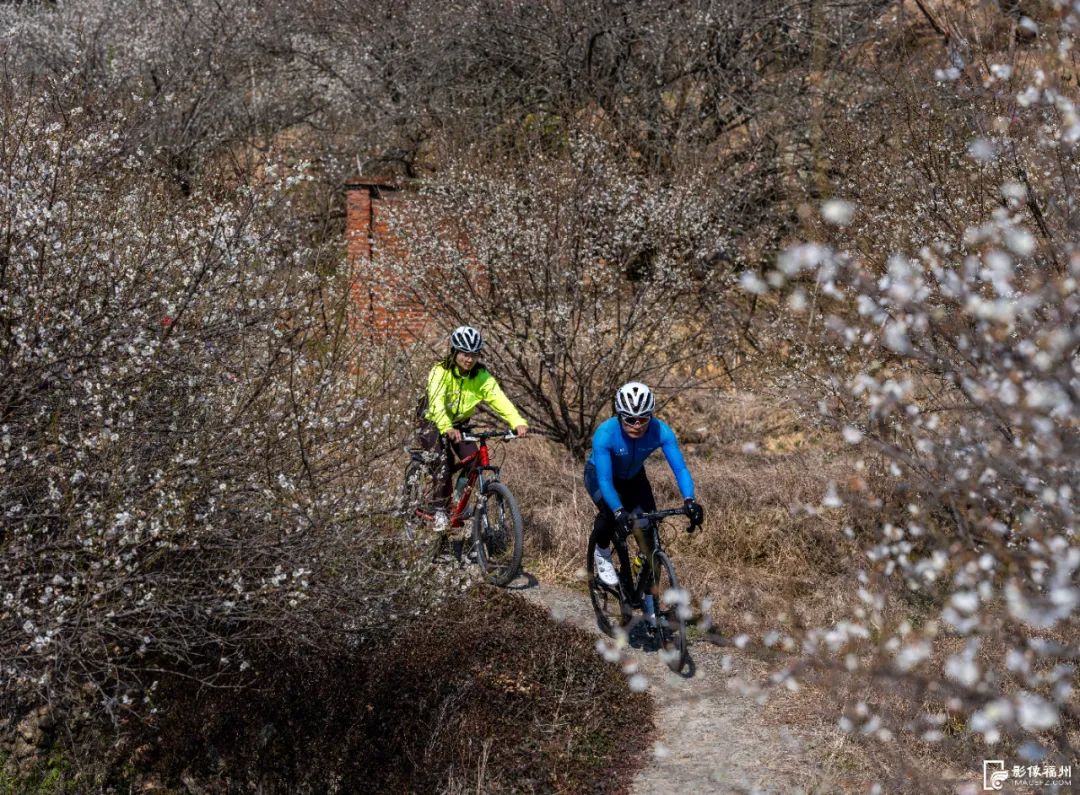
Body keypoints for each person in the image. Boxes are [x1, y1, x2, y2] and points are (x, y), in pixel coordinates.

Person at [584, 381, 703, 617]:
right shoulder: (605, 434)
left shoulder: (662, 431)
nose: (637, 425)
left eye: (643, 418)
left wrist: (690, 500)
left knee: (650, 539)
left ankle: (650, 600)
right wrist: (619, 511)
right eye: (630, 419)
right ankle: (602, 551)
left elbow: (680, 469)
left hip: (634, 478)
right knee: (609, 514)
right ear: (620, 416)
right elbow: (606, 482)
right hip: (601, 477)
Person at [416, 325, 527, 529]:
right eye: (465, 354)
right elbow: (437, 403)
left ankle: (456, 501)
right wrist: (447, 427)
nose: (469, 359)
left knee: (473, 460)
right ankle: (439, 509)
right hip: (432, 420)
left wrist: (517, 421)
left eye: (474, 355)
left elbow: (499, 399)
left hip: (459, 424)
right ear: (455, 352)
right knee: (442, 462)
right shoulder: (440, 371)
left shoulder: (480, 375)